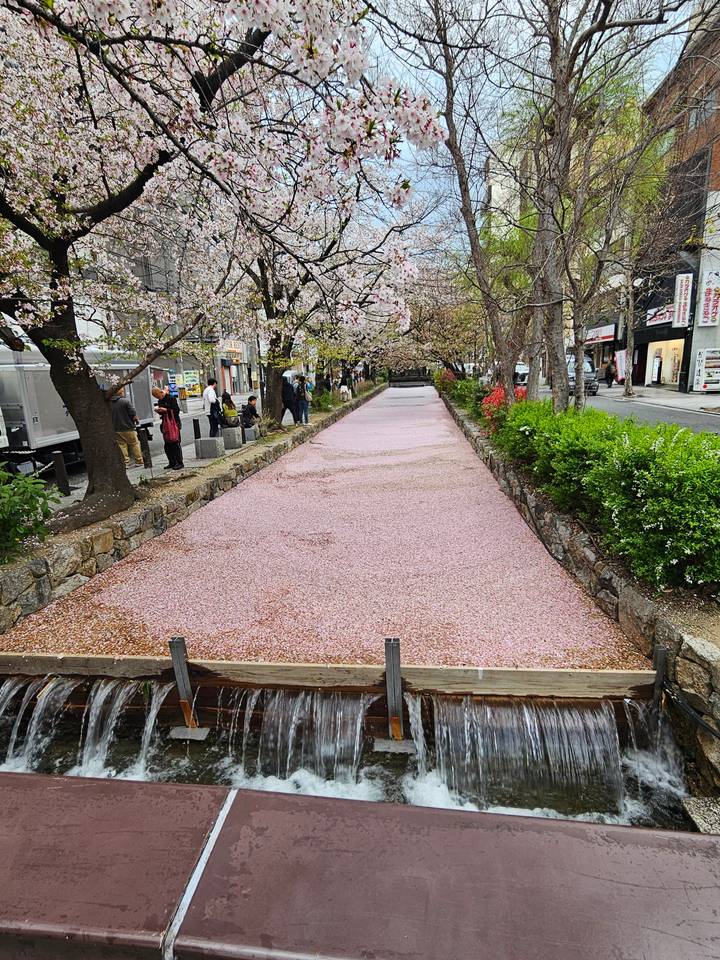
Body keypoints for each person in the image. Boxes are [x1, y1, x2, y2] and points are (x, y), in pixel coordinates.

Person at [111, 387, 144, 468]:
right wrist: (136, 420)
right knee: (134, 444)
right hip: (128, 427)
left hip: (116, 428)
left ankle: (126, 463)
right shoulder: (125, 401)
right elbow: (133, 413)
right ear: (121, 393)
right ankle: (139, 460)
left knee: (122, 445)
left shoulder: (110, 403)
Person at [152, 386, 184, 470]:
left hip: (174, 423)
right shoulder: (160, 400)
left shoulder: (171, 398)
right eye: (156, 397)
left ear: (160, 392)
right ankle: (172, 462)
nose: (158, 398)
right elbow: (162, 413)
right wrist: (159, 410)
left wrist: (166, 410)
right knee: (167, 444)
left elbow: (176, 410)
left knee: (175, 442)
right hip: (165, 423)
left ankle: (179, 462)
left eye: (158, 395)